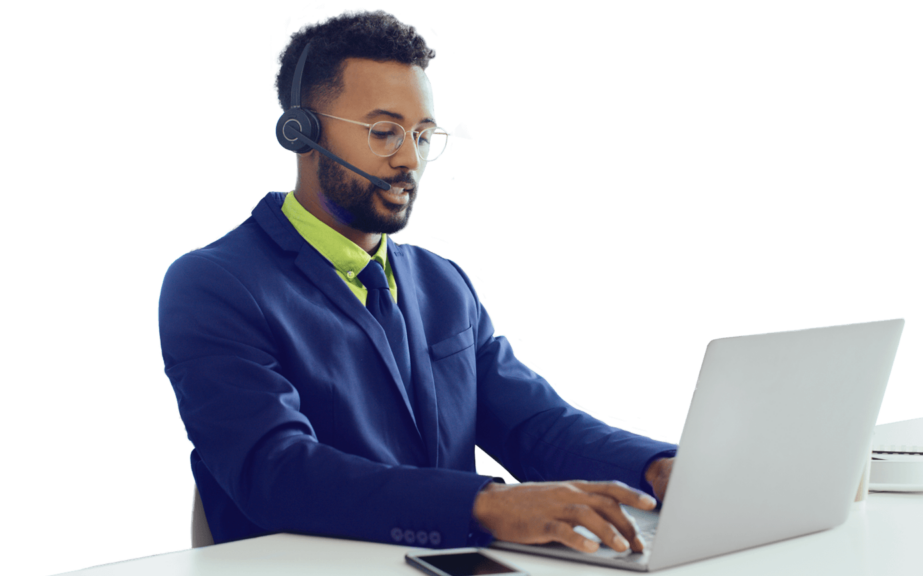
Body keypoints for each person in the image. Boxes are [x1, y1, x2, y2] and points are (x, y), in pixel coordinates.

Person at [157, 8, 677, 555]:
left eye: (425, 135)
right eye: (384, 132)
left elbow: (534, 426)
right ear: (302, 132)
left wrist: (660, 467)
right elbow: (276, 473)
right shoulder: (214, 284)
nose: (410, 159)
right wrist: (487, 505)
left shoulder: (441, 282)